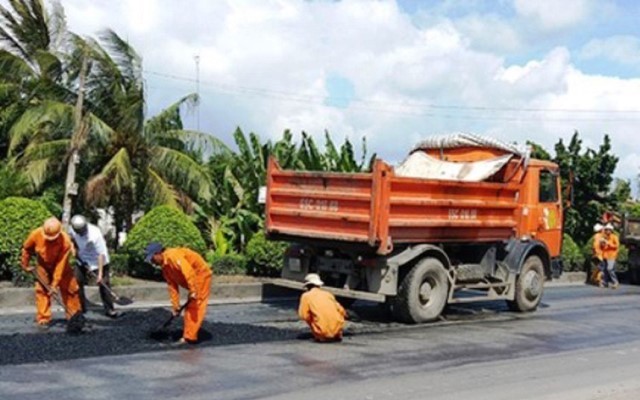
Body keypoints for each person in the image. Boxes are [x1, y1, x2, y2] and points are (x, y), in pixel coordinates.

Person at [144, 242, 212, 345]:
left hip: (200, 275)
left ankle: (189, 337)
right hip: (191, 279)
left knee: (195, 306)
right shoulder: (165, 267)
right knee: (191, 305)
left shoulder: (173, 256)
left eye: (153, 259)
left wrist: (193, 290)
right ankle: (189, 334)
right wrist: (175, 306)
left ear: (158, 253)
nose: (153, 262)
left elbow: (188, 271)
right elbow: (172, 286)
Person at [20, 217, 82, 328]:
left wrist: (54, 284)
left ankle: (74, 316)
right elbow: (26, 249)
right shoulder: (35, 234)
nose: (50, 240)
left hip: (62, 267)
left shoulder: (66, 241)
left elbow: (60, 264)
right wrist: (25, 265)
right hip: (43, 265)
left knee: (71, 289)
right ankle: (43, 318)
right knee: (42, 290)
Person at [69, 214, 118, 318]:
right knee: (77, 282)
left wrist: (99, 275)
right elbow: (71, 240)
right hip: (82, 259)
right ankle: (81, 308)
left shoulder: (95, 234)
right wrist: (74, 250)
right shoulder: (73, 230)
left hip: (98, 260)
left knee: (104, 284)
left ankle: (110, 310)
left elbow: (101, 255)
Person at [298, 273, 346, 342]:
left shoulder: (306, 296)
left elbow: (304, 316)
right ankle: (335, 333)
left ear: (307, 286)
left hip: (322, 333)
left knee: (309, 315)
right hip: (337, 331)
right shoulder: (328, 294)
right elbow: (342, 311)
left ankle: (320, 334)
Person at [600, 223, 620, 289]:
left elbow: (616, 246)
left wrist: (608, 243)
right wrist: (602, 243)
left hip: (612, 256)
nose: (607, 231)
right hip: (605, 255)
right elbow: (602, 247)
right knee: (605, 270)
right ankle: (605, 283)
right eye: (606, 230)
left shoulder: (614, 237)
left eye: (608, 230)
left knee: (610, 269)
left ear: (611, 230)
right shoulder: (604, 237)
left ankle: (615, 282)